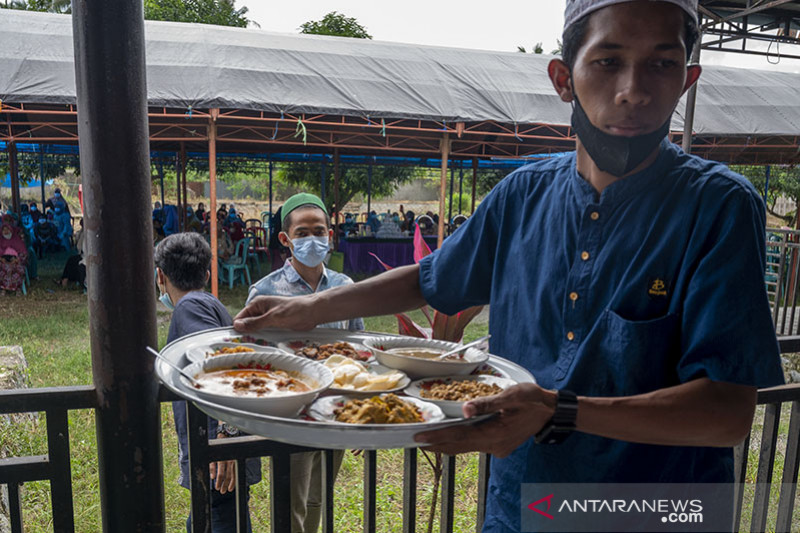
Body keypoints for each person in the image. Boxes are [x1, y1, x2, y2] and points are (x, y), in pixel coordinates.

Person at [233, 2, 785, 532]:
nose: (633, 91)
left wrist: (557, 410)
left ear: (687, 79)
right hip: (527, 502)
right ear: (563, 78)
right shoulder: (522, 195)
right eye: (608, 61)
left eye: (662, 64)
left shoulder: (718, 207)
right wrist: (312, 306)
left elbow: (727, 413)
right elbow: (432, 279)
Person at [245, 193, 362, 533]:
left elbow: (357, 356)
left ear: (330, 234)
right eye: (302, 232)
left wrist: (357, 411)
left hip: (335, 413)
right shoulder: (266, 292)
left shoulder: (345, 288)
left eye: (319, 230)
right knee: (291, 502)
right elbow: (252, 358)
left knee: (318, 499)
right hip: (291, 415)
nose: (312, 238)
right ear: (285, 239)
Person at [154, 233, 261, 533]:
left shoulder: (191, 308)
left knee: (219, 520)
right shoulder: (207, 303)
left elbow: (223, 364)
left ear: (160, 276)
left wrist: (225, 435)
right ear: (208, 273)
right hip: (219, 453)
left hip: (217, 455)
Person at [0, 217, 28, 294]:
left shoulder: (17, 240)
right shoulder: (1, 240)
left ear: (11, 230)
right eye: (4, 230)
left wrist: (17, 259)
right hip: (3, 262)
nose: (6, 232)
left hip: (16, 261)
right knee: (3, 268)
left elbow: (23, 253)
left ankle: (17, 288)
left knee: (17, 268)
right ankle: (4, 288)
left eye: (7, 230)